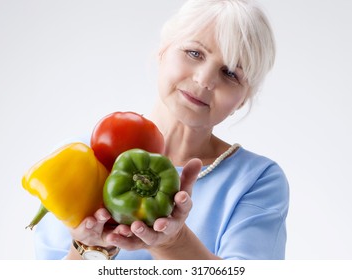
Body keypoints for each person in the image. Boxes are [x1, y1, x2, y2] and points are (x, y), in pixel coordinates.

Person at [34, 0, 289, 260]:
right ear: (162, 50)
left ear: (243, 99)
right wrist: (89, 248)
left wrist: (174, 243)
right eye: (194, 53)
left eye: (230, 73)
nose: (205, 80)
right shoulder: (79, 156)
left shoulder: (257, 180)